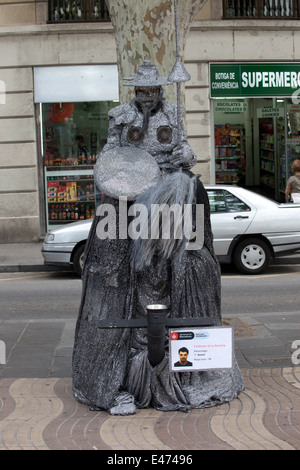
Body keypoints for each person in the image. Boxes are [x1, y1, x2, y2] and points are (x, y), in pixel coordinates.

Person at [72, 61, 244, 415]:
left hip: (168, 188)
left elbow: (187, 153)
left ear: (160, 91)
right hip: (132, 191)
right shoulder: (119, 116)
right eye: (142, 91)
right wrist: (109, 172)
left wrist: (186, 156)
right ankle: (120, 377)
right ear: (134, 91)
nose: (148, 97)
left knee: (184, 196)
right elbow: (108, 154)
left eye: (153, 91)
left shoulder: (175, 112)